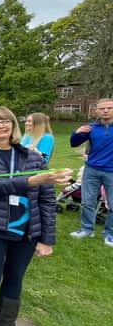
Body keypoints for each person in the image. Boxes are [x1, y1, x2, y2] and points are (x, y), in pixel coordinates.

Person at [0, 106, 71, 326]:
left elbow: (47, 200)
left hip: (26, 230)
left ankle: (6, 325)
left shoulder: (33, 157)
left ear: (14, 125)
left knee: (15, 278)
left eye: (5, 121)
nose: (0, 125)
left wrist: (47, 238)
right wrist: (32, 181)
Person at [70, 98, 113, 247]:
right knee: (87, 201)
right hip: (92, 169)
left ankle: (110, 234)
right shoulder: (91, 127)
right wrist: (77, 133)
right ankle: (87, 229)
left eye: (109, 108)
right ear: (96, 111)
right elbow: (74, 143)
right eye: (102, 108)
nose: (106, 111)